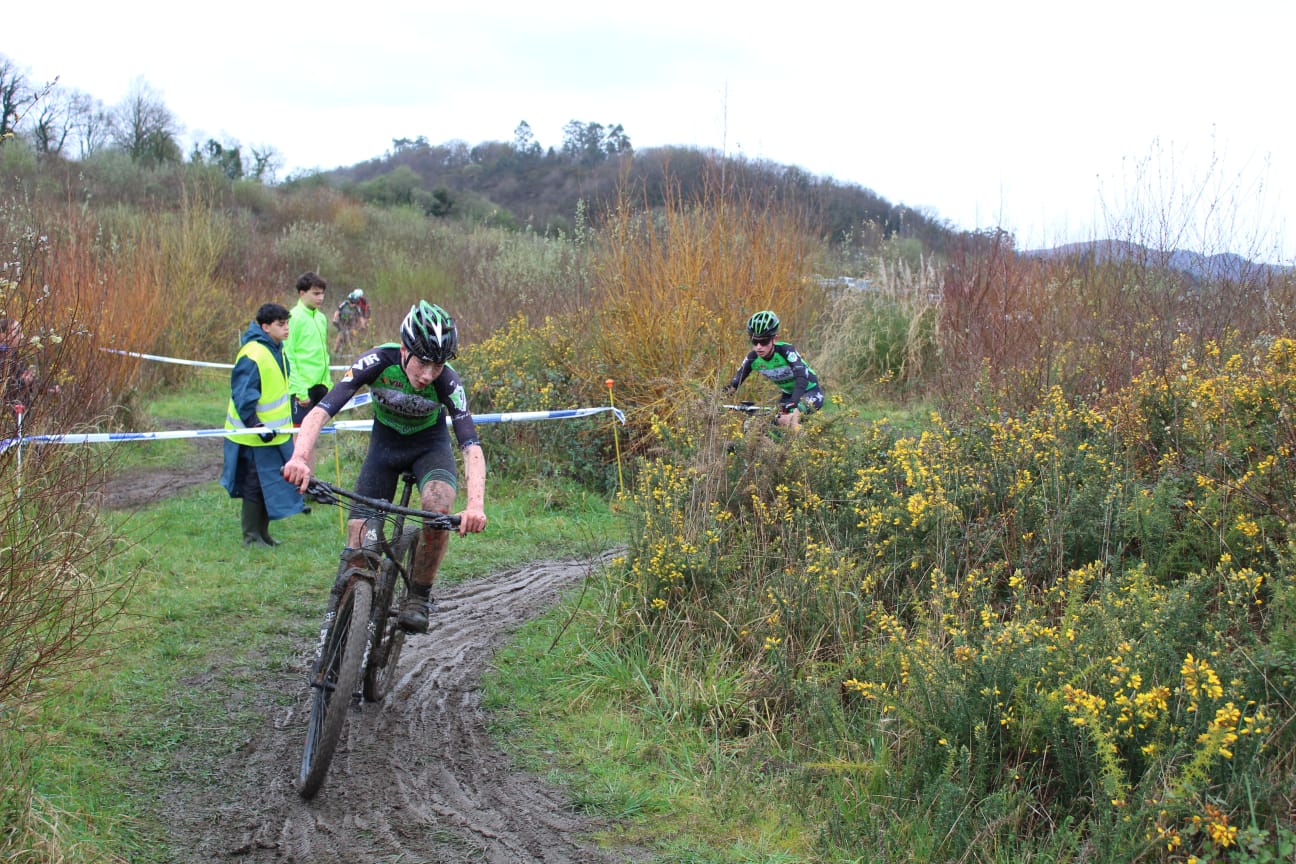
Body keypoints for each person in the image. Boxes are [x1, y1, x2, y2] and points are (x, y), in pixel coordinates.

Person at [283, 300, 487, 633]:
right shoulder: (377, 361)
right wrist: (299, 458)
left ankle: (419, 595)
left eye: (437, 366)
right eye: (422, 362)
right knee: (359, 543)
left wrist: (475, 505)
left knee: (437, 509)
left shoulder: (448, 382)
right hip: (384, 448)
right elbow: (320, 412)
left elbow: (471, 446)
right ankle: (346, 621)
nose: (427, 375)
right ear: (405, 349)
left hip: (429, 449)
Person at [221, 303, 306, 547]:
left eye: (287, 323)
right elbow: (243, 394)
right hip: (252, 436)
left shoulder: (278, 349)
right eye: (281, 325)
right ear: (265, 327)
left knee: (270, 484)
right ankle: (251, 537)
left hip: (275, 434)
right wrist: (255, 425)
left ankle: (263, 534)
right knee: (253, 485)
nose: (287, 328)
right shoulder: (253, 353)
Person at [723, 310, 825, 430]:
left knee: (788, 420)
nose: (759, 346)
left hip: (810, 392)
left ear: (775, 339)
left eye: (764, 341)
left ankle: (802, 447)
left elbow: (801, 378)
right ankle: (770, 448)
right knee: (758, 426)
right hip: (788, 395)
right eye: (755, 341)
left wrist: (794, 401)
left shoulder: (786, 351)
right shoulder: (752, 359)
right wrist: (715, 400)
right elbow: (734, 385)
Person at [284, 271, 333, 426]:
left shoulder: (321, 318)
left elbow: (323, 353)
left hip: (321, 387)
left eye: (322, 294)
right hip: (302, 389)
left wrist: (329, 384)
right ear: (302, 293)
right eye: (316, 294)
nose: (320, 298)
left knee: (314, 437)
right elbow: (288, 355)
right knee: (299, 441)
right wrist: (299, 390)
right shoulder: (293, 318)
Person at [331, 288, 371, 353]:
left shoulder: (357, 307)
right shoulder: (344, 304)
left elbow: (361, 317)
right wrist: (335, 319)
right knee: (340, 335)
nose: (353, 305)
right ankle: (335, 351)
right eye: (352, 303)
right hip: (342, 322)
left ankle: (350, 351)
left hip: (351, 323)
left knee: (351, 335)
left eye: (354, 303)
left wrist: (363, 325)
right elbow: (337, 311)